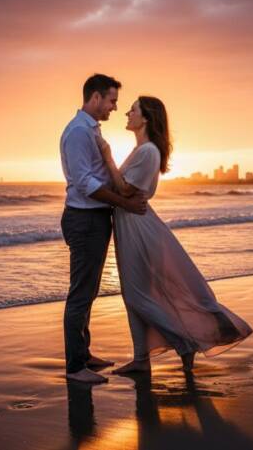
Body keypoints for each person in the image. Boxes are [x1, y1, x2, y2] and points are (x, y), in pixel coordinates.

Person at [95, 96, 253, 374]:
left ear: (146, 118)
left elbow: (126, 190)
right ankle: (141, 359)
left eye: (133, 109)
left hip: (137, 226)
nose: (127, 113)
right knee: (134, 294)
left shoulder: (148, 151)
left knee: (136, 295)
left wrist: (107, 157)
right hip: (130, 223)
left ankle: (185, 342)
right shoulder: (141, 149)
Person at [59, 74, 147, 384]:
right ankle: (75, 367)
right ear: (95, 97)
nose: (114, 107)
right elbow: (85, 183)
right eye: (111, 101)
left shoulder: (90, 129)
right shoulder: (78, 133)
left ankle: (83, 354)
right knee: (81, 293)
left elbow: (98, 176)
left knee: (89, 291)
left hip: (94, 218)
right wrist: (125, 203)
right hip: (84, 220)